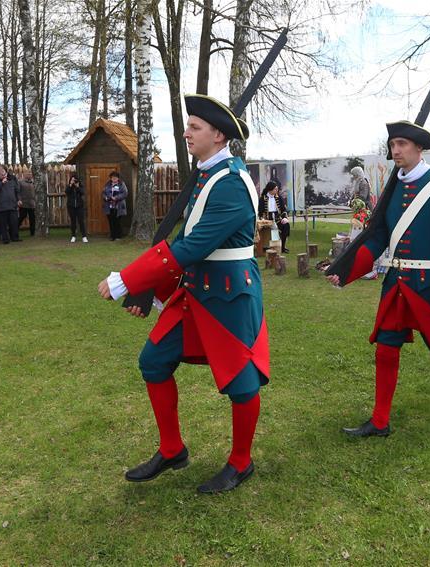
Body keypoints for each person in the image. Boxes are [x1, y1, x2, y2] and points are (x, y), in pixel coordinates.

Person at [98, 94, 268, 493]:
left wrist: (127, 280)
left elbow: (191, 248)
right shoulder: (209, 175)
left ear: (219, 135)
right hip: (195, 292)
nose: (186, 132)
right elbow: (183, 238)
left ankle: (241, 462)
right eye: (188, 125)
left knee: (241, 384)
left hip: (229, 298)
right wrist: (155, 292)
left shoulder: (229, 183)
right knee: (153, 361)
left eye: (195, 127)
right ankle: (172, 449)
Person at [327, 121, 430, 437]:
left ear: (419, 148)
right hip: (397, 283)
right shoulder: (393, 188)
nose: (397, 150)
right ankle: (379, 422)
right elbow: (379, 238)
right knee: (385, 350)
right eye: (393, 145)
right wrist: (345, 270)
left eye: (403, 144)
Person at [0, 166, 21, 244]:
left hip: (12, 206)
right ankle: (5, 239)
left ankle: (15, 237)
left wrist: (19, 200)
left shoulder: (12, 180)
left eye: (3, 171)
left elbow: (17, 191)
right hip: (2, 207)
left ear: (6, 172)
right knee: (3, 225)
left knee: (14, 223)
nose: (1, 173)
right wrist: (2, 183)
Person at [258, 180, 290, 252]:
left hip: (277, 218)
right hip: (267, 219)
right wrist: (263, 219)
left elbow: (283, 210)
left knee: (286, 226)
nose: (277, 190)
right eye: (275, 189)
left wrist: (284, 218)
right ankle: (269, 247)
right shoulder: (263, 199)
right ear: (270, 189)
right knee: (272, 228)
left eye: (277, 189)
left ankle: (282, 247)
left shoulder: (279, 198)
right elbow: (260, 211)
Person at [102, 172, 128, 240]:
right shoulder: (107, 184)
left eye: (115, 177)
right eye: (113, 178)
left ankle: (118, 236)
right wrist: (106, 198)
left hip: (118, 206)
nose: (114, 179)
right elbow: (103, 193)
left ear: (118, 178)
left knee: (117, 221)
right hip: (109, 205)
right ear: (110, 178)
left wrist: (116, 198)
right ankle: (112, 236)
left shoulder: (121, 184)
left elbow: (125, 193)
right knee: (111, 221)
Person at [66, 173, 88, 243]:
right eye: (72, 180)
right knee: (73, 222)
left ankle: (84, 236)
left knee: (81, 221)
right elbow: (66, 192)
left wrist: (77, 186)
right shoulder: (69, 186)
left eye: (74, 180)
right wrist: (70, 185)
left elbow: (83, 192)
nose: (73, 181)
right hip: (71, 206)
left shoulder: (80, 186)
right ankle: (73, 236)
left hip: (79, 206)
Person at [18, 172, 36, 237]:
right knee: (21, 217)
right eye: (28, 174)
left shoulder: (33, 182)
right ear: (24, 174)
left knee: (32, 218)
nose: (29, 175)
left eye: (30, 174)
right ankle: (15, 230)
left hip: (32, 203)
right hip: (24, 203)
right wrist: (19, 200)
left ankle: (32, 232)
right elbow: (18, 192)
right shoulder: (20, 182)